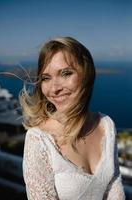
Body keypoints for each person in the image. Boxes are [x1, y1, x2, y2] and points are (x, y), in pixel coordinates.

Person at [20, 36, 125, 199]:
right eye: (46, 78)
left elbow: (114, 184)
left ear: (86, 75)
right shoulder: (39, 140)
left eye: (66, 73)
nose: (54, 88)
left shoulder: (106, 125)